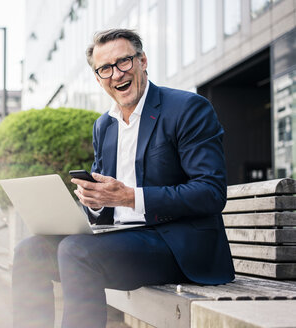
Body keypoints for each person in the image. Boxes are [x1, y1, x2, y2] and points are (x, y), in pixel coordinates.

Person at [12, 28, 235, 328]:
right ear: (97, 77)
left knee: (76, 252)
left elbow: (210, 192)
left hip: (178, 247)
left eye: (124, 62)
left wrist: (130, 197)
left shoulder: (187, 109)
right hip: (120, 240)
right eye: (105, 68)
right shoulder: (104, 126)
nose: (116, 74)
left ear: (142, 61)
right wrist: (93, 204)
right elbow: (106, 203)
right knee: (29, 251)